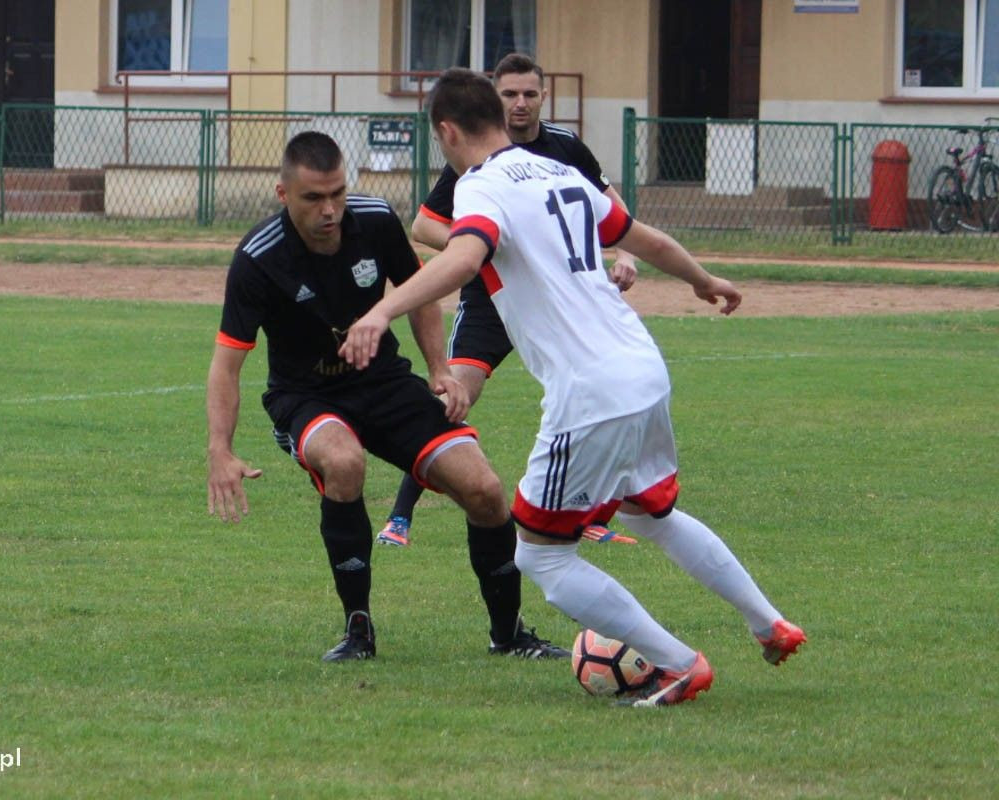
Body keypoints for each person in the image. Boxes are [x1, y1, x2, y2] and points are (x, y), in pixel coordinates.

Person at [341, 69, 806, 706]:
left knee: (542, 558)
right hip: (642, 367)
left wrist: (380, 311)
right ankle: (770, 622)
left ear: (446, 132)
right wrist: (704, 281)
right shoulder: (560, 172)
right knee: (654, 514)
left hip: (590, 392)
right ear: (500, 117)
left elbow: (463, 257)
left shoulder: (481, 186)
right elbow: (648, 239)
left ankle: (678, 663)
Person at [206, 130, 568, 663]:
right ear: (284, 195)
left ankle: (509, 635)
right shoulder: (259, 259)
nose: (330, 209)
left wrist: (439, 370)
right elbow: (228, 362)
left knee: (486, 489)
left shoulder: (374, 220)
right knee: (344, 463)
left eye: (337, 193)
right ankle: (359, 630)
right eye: (313, 198)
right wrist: (221, 450)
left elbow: (419, 294)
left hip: (385, 384)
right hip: (306, 397)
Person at [377, 53, 637, 548]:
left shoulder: (563, 147)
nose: (520, 103)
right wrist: (486, 241)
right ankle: (401, 515)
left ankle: (591, 512)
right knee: (452, 396)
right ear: (493, 100)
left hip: (558, 301)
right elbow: (424, 223)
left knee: (595, 394)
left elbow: (610, 204)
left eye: (529, 94)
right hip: (490, 302)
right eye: (509, 94)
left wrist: (623, 250)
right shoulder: (477, 155)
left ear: (544, 97)